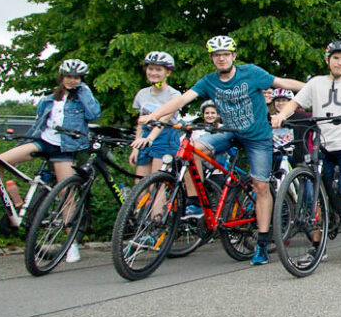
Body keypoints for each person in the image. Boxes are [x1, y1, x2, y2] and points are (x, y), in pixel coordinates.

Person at [138, 35, 304, 266]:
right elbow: (183, 100)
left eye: (225, 54)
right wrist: (155, 116)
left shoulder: (251, 73)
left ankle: (262, 243)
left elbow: (283, 83)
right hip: (229, 131)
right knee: (190, 149)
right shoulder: (209, 81)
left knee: (261, 186)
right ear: (212, 59)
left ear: (233, 56)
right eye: (217, 55)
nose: (221, 58)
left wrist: (315, 89)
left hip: (257, 137)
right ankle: (196, 201)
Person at [0, 59, 101, 264]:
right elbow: (38, 124)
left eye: (76, 77)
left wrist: (84, 90)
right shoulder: (48, 100)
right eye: (68, 76)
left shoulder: (81, 99)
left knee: (66, 193)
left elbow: (94, 113)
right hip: (43, 142)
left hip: (65, 148)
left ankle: (71, 244)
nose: (71, 80)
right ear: (61, 77)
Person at [271, 40, 341, 267]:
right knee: (314, 194)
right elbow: (294, 103)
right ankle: (318, 246)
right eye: (336, 58)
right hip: (323, 144)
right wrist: (281, 116)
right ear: (328, 60)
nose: (340, 62)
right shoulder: (315, 83)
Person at [129, 52, 183, 181]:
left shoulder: (174, 95)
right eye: (150, 69)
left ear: (168, 73)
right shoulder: (142, 94)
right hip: (146, 136)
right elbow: (141, 122)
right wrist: (136, 148)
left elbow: (163, 120)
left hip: (165, 136)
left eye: (158, 70)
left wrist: (150, 139)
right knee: (139, 184)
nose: (153, 73)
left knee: (156, 184)